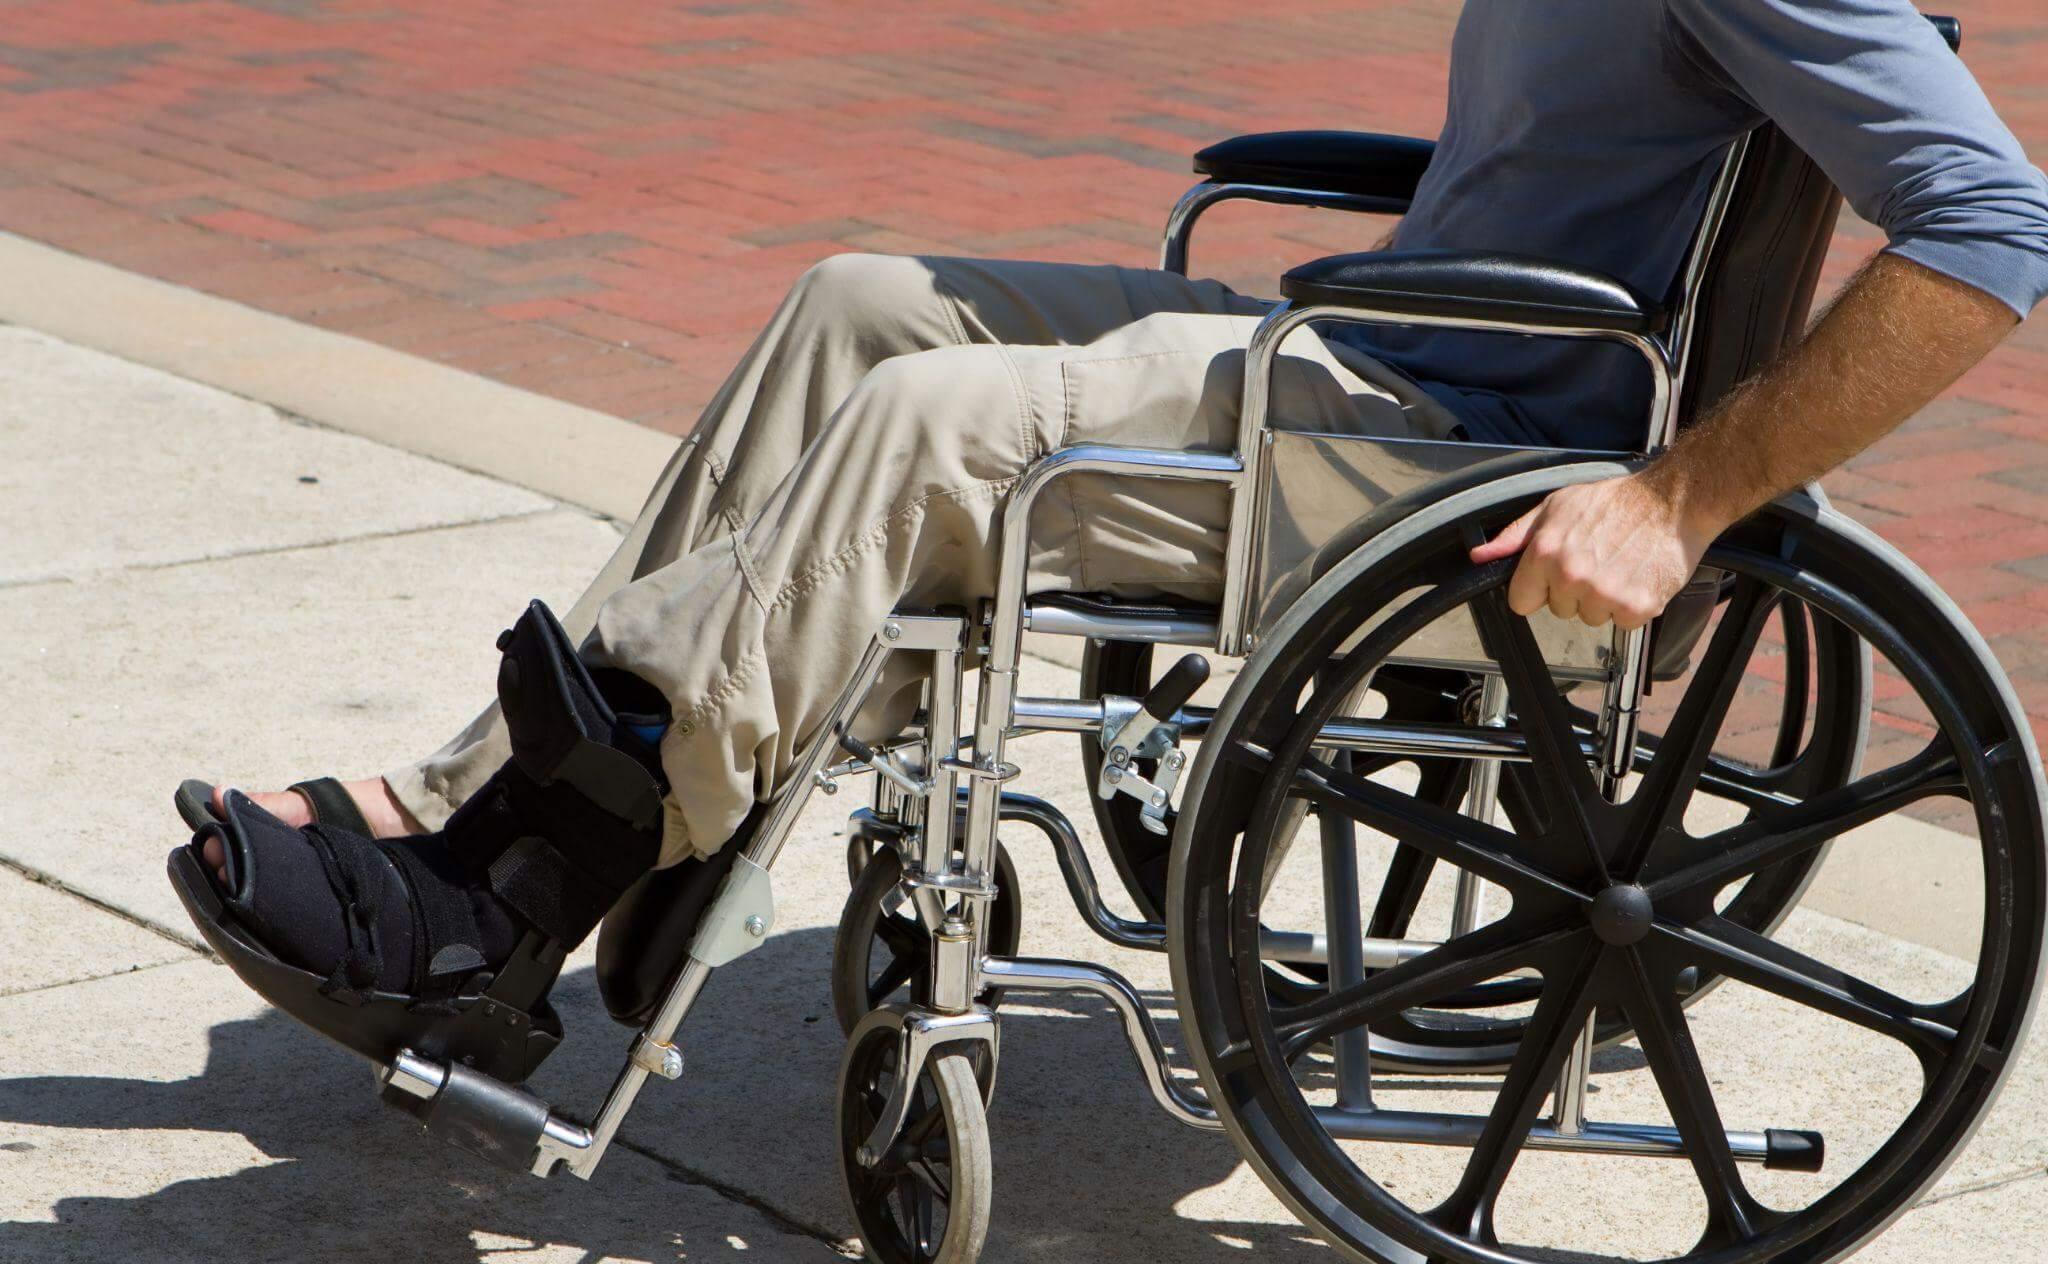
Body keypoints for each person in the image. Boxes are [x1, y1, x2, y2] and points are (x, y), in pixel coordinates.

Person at [180, 0, 2048, 1049]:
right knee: (860, 303)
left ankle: (522, 875)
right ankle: (498, 785)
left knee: (931, 425)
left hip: (1450, 451)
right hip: (1381, 357)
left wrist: (1677, 498)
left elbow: (1992, 227)